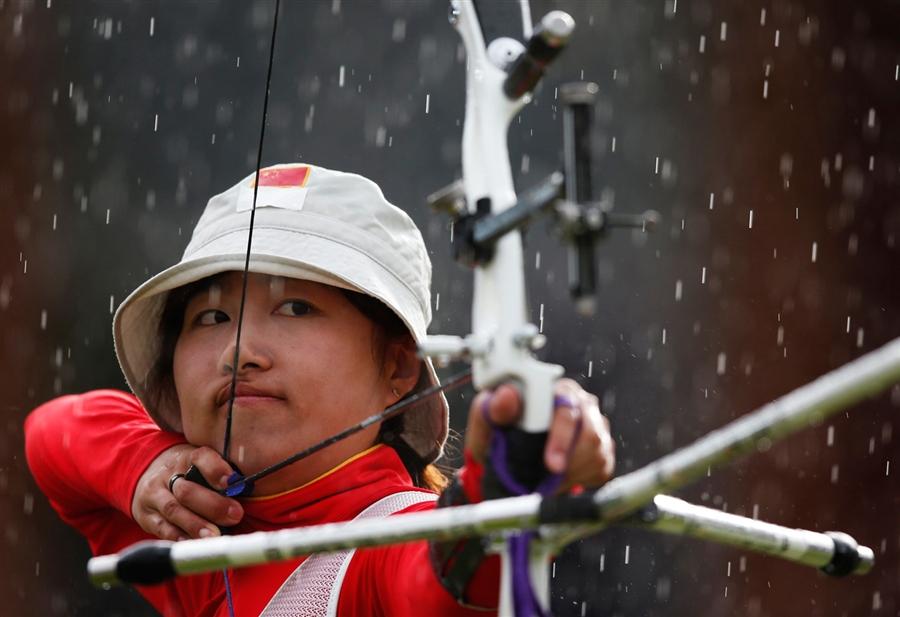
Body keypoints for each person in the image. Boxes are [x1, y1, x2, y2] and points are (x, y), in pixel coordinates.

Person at [25, 164, 615, 617]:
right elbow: (51, 435)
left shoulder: (384, 545)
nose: (238, 351)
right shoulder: (197, 533)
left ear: (398, 368)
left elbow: (446, 579)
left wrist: (514, 475)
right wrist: (146, 465)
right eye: (211, 317)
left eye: (296, 308)